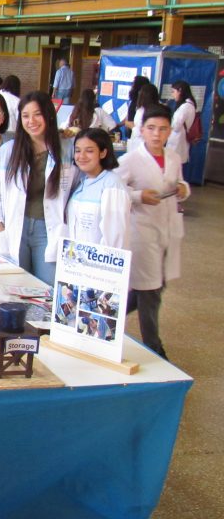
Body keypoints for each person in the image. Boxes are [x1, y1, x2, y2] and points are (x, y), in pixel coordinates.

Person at [115, 104, 190, 359]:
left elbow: (178, 183)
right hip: (142, 234)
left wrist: (183, 189)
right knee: (150, 294)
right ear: (142, 130)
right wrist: (137, 196)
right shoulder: (130, 161)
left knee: (154, 287)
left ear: (170, 131)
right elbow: (112, 190)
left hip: (167, 231)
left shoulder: (173, 158)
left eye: (162, 129)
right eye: (151, 129)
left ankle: (108, 313)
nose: (156, 134)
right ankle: (155, 349)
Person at [0, 91, 76, 285]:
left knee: (48, 289)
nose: (31, 121)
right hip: (14, 230)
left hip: (48, 231)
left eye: (37, 114)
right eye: (25, 116)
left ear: (49, 115)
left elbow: (81, 187)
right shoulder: (9, 151)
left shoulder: (67, 149)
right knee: (15, 289)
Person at [66, 128, 130, 248]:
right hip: (76, 260)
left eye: (89, 151)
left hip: (99, 263)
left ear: (103, 153)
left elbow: (115, 238)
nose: (81, 156)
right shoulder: (81, 182)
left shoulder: (112, 185)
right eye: (77, 151)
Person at [168, 80, 196, 165]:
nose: (172, 95)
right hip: (180, 142)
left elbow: (175, 126)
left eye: (173, 92)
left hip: (177, 143)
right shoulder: (189, 105)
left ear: (180, 91)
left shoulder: (185, 107)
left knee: (173, 171)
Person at [127, 83, 160, 153]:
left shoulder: (142, 111)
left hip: (140, 144)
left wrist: (132, 126)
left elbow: (139, 131)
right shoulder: (158, 110)